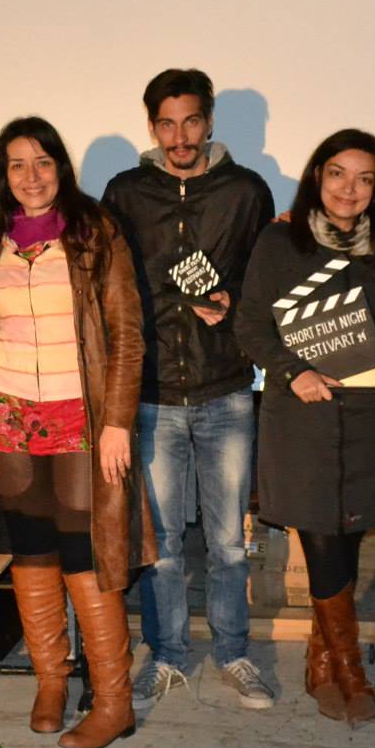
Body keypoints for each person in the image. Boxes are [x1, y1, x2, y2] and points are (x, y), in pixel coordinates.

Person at [0, 116, 155, 748]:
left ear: (61, 167)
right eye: (17, 165)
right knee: (32, 553)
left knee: (85, 555)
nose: (31, 176)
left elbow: (127, 334)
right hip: (10, 417)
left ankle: (114, 701)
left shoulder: (95, 233)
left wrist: (118, 421)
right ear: (4, 175)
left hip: (82, 417)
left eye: (42, 162)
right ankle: (51, 680)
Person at [101, 68, 276, 714]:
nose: (180, 137)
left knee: (228, 543)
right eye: (167, 124)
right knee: (164, 545)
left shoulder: (246, 191)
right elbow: (108, 283)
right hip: (150, 394)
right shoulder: (124, 193)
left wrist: (234, 304)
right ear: (152, 126)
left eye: (191, 121)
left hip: (225, 390)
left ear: (209, 122)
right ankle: (168, 656)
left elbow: (268, 283)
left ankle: (233, 652)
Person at [235, 129, 375, 728]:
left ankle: (320, 657)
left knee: (350, 531)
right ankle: (350, 666)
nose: (349, 189)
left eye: (364, 178)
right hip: (301, 415)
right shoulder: (281, 240)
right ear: (316, 176)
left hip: (366, 417)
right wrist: (292, 371)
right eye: (338, 173)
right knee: (320, 534)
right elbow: (250, 323)